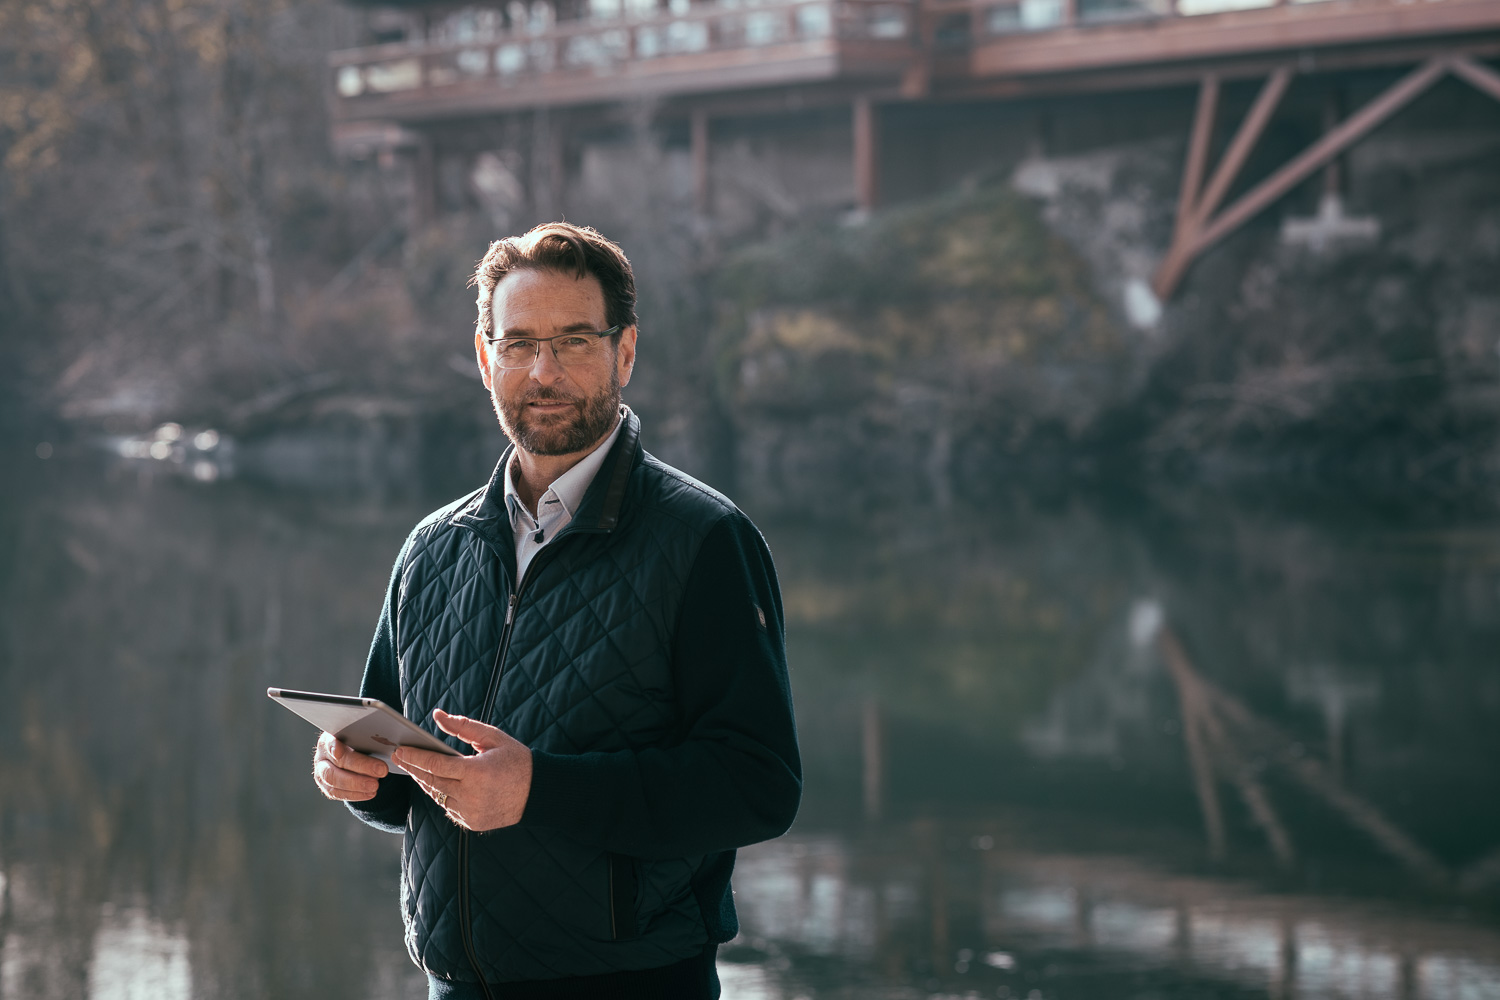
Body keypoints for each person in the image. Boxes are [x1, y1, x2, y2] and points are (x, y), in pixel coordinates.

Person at [310, 222, 801, 1000]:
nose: (544, 372)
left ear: (625, 352)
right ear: (484, 358)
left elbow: (757, 786)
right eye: (519, 344)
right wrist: (361, 778)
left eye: (575, 340)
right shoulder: (430, 548)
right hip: (455, 986)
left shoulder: (706, 540)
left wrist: (540, 789)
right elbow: (409, 779)